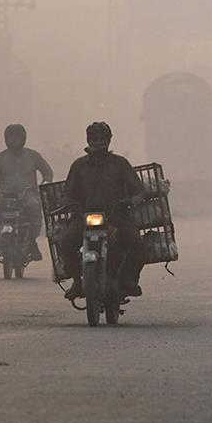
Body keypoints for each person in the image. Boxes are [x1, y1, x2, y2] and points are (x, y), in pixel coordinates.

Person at [58, 122, 149, 301]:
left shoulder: (120, 164)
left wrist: (137, 196)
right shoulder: (79, 166)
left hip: (116, 216)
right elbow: (68, 192)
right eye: (94, 139)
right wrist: (67, 202)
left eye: (102, 139)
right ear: (88, 140)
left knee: (137, 243)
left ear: (108, 140)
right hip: (83, 217)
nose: (98, 143)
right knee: (66, 242)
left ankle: (128, 279)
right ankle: (77, 280)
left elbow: (137, 189)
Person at [0, 124, 53, 261]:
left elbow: (47, 172)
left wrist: (46, 183)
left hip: (27, 194)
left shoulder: (33, 156)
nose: (13, 141)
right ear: (6, 139)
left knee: (34, 207)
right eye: (11, 138)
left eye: (17, 138)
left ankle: (32, 242)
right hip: (4, 195)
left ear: (23, 139)